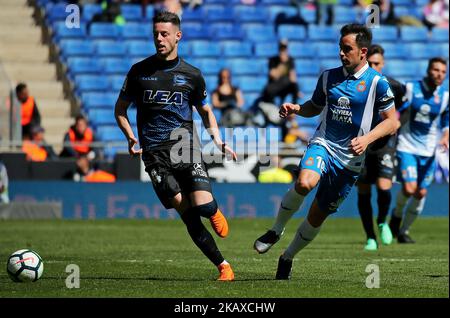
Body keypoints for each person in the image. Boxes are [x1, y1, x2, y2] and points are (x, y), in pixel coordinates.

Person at [253, 24, 398, 280]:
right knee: (305, 182)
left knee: (317, 216)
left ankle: (287, 257)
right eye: (340, 48)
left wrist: (367, 139)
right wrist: (297, 109)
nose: (342, 53)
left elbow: (392, 121)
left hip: (351, 160)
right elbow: (314, 106)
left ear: (363, 52)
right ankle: (275, 230)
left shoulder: (378, 83)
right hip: (324, 144)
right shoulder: (328, 76)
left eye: (347, 49)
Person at [114, 11, 237, 281]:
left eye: (164, 34)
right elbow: (120, 110)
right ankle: (224, 266)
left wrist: (217, 138)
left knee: (203, 208)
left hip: (184, 144)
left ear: (178, 36)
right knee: (188, 215)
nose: (159, 38)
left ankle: (214, 210)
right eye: (156, 34)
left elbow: (205, 111)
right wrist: (129, 136)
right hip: (154, 153)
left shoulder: (192, 75)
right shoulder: (139, 72)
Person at [389, 57, 448, 244]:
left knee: (421, 193)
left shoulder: (445, 96)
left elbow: (446, 120)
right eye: (436, 70)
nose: (439, 74)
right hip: (407, 146)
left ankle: (403, 232)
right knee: (409, 188)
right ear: (428, 71)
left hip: (430, 150)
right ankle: (396, 216)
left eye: (443, 72)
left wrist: (446, 136)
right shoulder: (410, 88)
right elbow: (396, 107)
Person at [357, 44, 404, 251]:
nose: (373, 67)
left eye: (377, 63)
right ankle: (370, 237)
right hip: (361, 143)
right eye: (370, 63)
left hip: (385, 143)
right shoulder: (358, 85)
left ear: (383, 64)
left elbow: (402, 108)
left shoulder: (394, 86)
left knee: (385, 187)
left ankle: (383, 221)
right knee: (364, 189)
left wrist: (398, 121)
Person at [261, 40, 300, 106]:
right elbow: (273, 76)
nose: (283, 50)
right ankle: (273, 110)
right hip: (275, 86)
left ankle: (293, 110)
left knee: (295, 86)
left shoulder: (290, 60)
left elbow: (293, 78)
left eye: (284, 48)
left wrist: (297, 91)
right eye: (281, 48)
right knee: (268, 90)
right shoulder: (273, 60)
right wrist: (282, 63)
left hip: (285, 86)